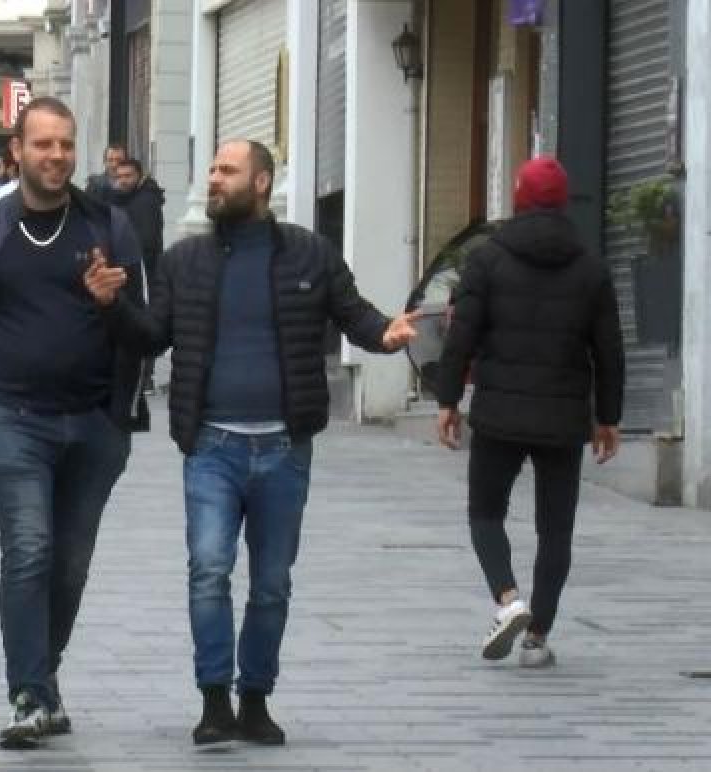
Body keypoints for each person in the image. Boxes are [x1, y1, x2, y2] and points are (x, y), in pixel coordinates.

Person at [84, 139, 420, 747]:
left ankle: (256, 698)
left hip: (284, 451)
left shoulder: (309, 254)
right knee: (209, 570)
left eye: (225, 171)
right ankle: (215, 702)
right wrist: (112, 307)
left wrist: (387, 334)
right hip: (212, 446)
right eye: (212, 169)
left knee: (271, 583)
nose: (212, 179)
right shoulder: (184, 262)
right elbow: (152, 336)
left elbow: (354, 313)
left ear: (261, 182)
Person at [0, 96, 149, 749]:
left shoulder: (109, 227)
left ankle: (41, 679)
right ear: (16, 150)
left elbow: (147, 330)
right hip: (10, 418)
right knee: (29, 549)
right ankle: (28, 694)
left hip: (96, 424)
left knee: (69, 564)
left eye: (65, 145)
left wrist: (115, 304)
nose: (55, 156)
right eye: (43, 144)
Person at [436, 156, 625, 668]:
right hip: (563, 420)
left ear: (517, 199)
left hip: (499, 413)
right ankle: (537, 636)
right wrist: (608, 417)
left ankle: (507, 599)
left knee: (485, 512)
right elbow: (610, 348)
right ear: (563, 202)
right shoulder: (590, 266)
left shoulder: (487, 260)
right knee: (555, 529)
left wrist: (448, 400)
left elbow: (462, 338)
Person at [109, 157, 165, 394]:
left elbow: (146, 242)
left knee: (142, 319)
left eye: (127, 176)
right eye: (118, 176)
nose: (122, 181)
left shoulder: (145, 201)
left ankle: (146, 377)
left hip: (143, 272)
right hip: (128, 271)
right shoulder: (123, 198)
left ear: (140, 176)